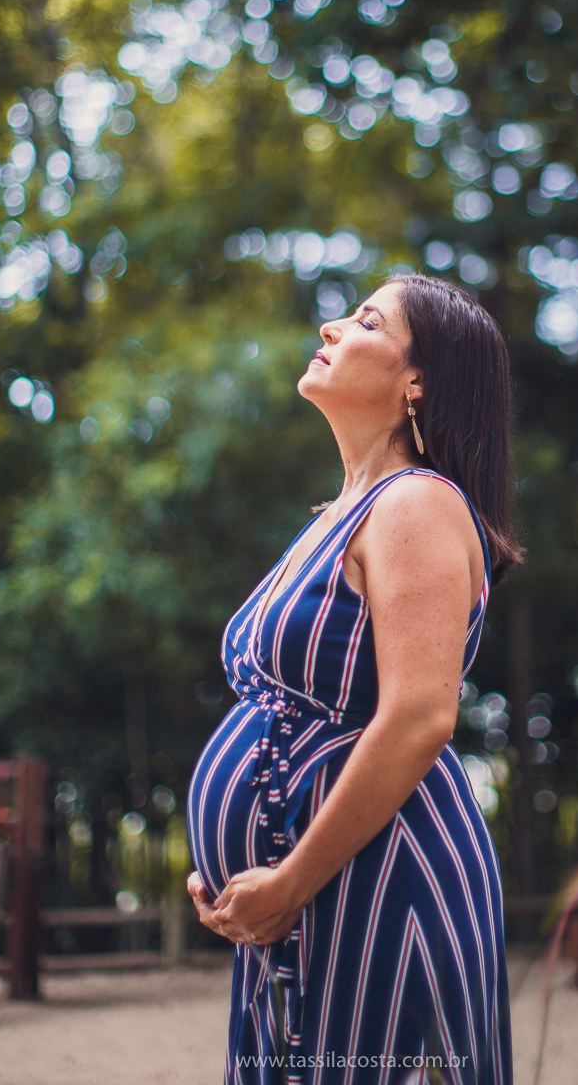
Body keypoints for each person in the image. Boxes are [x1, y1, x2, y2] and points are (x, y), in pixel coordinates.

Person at [187, 273, 522, 1085]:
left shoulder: (417, 504)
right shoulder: (344, 510)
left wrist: (291, 878)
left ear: (417, 382)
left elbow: (418, 718)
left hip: (379, 885)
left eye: (368, 320)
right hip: (307, 903)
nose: (332, 326)